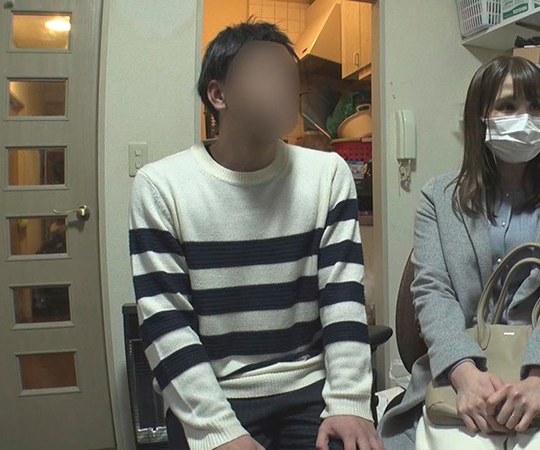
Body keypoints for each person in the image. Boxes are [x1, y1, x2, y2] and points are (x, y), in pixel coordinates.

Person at [128, 21, 383, 450]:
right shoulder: (162, 186)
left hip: (310, 386)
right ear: (218, 95)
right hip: (216, 392)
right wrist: (219, 432)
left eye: (289, 78)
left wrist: (349, 401)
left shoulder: (327, 174)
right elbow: (165, 322)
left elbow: (342, 297)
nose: (283, 88)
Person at [378, 55, 540, 449]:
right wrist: (464, 375)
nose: (524, 118)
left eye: (535, 107)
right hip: (463, 368)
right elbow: (432, 291)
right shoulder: (437, 199)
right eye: (507, 106)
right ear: (480, 118)